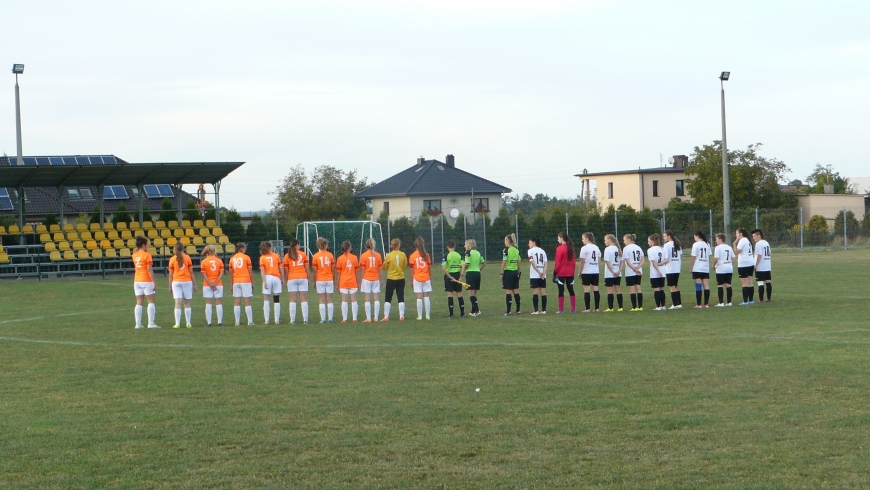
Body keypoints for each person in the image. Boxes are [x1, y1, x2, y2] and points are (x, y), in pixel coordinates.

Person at [132, 236, 160, 329]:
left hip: (137, 280)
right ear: (143, 245)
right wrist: (154, 282)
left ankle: (138, 323)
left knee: (139, 302)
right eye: (147, 245)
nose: (148, 246)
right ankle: (151, 323)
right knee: (151, 301)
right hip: (146, 280)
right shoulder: (147, 255)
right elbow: (149, 270)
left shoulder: (134, 254)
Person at [168, 242, 196, 328]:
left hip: (176, 281)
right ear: (183, 249)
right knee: (187, 302)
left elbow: (170, 275)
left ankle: (177, 323)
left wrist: (169, 286)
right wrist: (194, 284)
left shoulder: (172, 259)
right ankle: (188, 323)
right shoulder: (187, 258)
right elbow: (191, 272)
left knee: (178, 303)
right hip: (187, 281)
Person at [283, 239, 310, 324]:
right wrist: (308, 278)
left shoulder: (287, 255)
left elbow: (286, 270)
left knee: (292, 300)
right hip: (302, 277)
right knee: (304, 299)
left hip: (292, 278)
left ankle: (292, 320)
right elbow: (307, 268)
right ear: (297, 245)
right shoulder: (303, 254)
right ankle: (305, 320)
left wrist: (287, 280)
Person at [382, 238, 408, 321]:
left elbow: (384, 267)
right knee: (400, 296)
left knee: (388, 297)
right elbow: (404, 266)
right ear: (398, 245)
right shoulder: (403, 254)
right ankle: (401, 316)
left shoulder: (389, 255)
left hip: (391, 278)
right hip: (400, 278)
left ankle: (386, 316)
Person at [335, 240, 361, 323]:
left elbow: (338, 273)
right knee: (354, 300)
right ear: (349, 248)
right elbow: (357, 272)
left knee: (344, 301)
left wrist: (337, 284)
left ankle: (345, 319)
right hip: (353, 281)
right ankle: (354, 318)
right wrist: (358, 282)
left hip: (343, 282)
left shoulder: (339, 258)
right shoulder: (355, 257)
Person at [311, 237, 336, 323]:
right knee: (329, 299)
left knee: (321, 299)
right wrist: (333, 279)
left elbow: (315, 271)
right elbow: (333, 269)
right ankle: (330, 318)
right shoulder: (330, 255)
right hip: (329, 278)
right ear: (325, 245)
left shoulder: (315, 256)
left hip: (320, 279)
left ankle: (323, 319)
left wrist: (314, 281)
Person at [229, 242, 255, 326]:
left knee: (237, 302)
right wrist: (252, 283)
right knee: (247, 302)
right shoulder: (246, 257)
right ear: (242, 248)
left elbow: (231, 273)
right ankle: (250, 321)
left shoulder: (232, 259)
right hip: (245, 280)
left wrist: (231, 284)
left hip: (236, 281)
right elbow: (250, 271)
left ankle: (237, 322)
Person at [359, 238, 383, 323]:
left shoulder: (364, 255)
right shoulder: (378, 255)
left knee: (367, 298)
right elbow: (380, 269)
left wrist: (360, 281)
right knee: (376, 298)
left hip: (366, 278)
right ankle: (376, 318)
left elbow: (362, 269)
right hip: (375, 278)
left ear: (366, 246)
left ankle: (368, 318)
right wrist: (382, 280)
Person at [259, 241, 284, 325]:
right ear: (270, 247)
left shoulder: (262, 257)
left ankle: (267, 320)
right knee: (276, 299)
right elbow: (281, 268)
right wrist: (282, 278)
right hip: (276, 278)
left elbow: (262, 270)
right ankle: (276, 320)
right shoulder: (276, 256)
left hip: (267, 277)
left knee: (266, 299)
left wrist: (264, 281)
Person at [200, 244, 224, 326]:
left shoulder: (204, 261)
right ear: (214, 251)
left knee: (208, 303)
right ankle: (219, 322)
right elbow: (221, 273)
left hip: (207, 284)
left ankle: (209, 322)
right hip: (218, 284)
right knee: (218, 302)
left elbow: (204, 274)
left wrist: (210, 283)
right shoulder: (219, 261)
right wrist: (216, 282)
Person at [409, 236, 432, 320]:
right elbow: (429, 268)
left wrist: (411, 281)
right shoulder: (426, 255)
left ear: (415, 245)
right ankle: (427, 315)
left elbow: (411, 270)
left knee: (419, 297)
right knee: (426, 296)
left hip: (417, 278)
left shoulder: (412, 256)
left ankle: (420, 316)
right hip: (426, 277)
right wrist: (430, 279)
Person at [553, 231, 577, 314]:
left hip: (561, 273)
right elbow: (574, 262)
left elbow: (558, 262)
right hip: (570, 273)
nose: (557, 240)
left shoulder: (559, 248)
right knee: (571, 290)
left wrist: (554, 272)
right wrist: (573, 272)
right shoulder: (571, 248)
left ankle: (561, 309)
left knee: (561, 290)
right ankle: (573, 309)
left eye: (558, 238)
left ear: (562, 238)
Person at [460, 239, 485, 317]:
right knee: (474, 293)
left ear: (469, 245)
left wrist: (462, 266)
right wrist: (478, 269)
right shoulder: (478, 252)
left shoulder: (468, 252)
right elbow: (483, 263)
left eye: (465, 244)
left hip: (470, 273)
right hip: (477, 273)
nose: (464, 246)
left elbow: (467, 264)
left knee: (471, 294)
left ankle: (477, 310)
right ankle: (473, 310)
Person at [578, 232, 601, 313]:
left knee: (587, 290)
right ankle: (597, 308)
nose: (582, 240)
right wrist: (598, 270)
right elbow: (599, 261)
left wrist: (580, 272)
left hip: (587, 271)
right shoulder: (596, 248)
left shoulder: (584, 248)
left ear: (587, 238)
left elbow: (582, 262)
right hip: (595, 271)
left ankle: (587, 308)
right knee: (596, 289)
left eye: (583, 238)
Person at [441, 240, 465, 318]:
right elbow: (463, 265)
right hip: (458, 275)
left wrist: (449, 276)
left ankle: (451, 314)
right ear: (454, 246)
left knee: (450, 294)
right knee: (459, 293)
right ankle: (462, 313)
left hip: (449, 276)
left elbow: (443, 268)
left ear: (447, 247)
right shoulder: (459, 255)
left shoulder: (446, 256)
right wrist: (461, 276)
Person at [660, 230, 683, 309]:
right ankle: (679, 303)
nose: (664, 238)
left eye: (665, 236)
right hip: (677, 267)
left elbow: (666, 257)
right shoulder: (677, 244)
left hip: (670, 268)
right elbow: (680, 256)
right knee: (676, 286)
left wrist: (660, 263)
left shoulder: (667, 245)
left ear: (669, 236)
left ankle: (674, 304)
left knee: (672, 286)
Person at [622, 234, 644, 311]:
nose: (623, 242)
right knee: (638, 287)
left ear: (628, 239)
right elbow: (642, 260)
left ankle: (634, 307)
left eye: (624, 240)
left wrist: (633, 268)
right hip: (639, 271)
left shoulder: (626, 248)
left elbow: (627, 261)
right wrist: (638, 267)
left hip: (630, 271)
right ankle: (640, 306)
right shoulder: (638, 247)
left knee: (632, 289)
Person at [500, 233, 522, 315]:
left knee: (508, 291)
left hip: (508, 272)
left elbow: (504, 262)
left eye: (505, 240)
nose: (504, 242)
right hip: (515, 272)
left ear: (508, 241)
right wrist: (519, 272)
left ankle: (508, 311)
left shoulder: (506, 250)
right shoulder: (516, 250)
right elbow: (519, 262)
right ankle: (518, 309)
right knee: (516, 290)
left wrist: (501, 273)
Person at [690, 231, 712, 308]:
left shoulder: (695, 245)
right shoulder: (707, 244)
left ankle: (699, 304)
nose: (694, 238)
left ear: (697, 236)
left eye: (694, 236)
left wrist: (691, 268)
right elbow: (709, 257)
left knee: (698, 285)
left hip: (697, 267)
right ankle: (706, 304)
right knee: (706, 285)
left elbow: (693, 257)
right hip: (705, 268)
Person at [733, 228, 755, 305]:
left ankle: (745, 301)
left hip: (743, 264)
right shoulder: (748, 240)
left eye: (737, 233)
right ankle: (751, 300)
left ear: (741, 234)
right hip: (750, 262)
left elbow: (736, 252)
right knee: (750, 282)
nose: (736, 235)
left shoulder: (742, 241)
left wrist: (734, 243)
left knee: (744, 283)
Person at [602, 234, 623, 312]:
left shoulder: (607, 249)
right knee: (618, 289)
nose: (604, 242)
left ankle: (610, 308)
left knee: (609, 291)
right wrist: (618, 271)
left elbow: (607, 262)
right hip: (618, 273)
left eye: (605, 240)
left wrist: (613, 272)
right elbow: (621, 262)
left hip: (609, 274)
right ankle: (620, 307)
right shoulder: (618, 249)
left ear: (610, 240)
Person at [712, 233, 734, 307]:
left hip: (721, 268)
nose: (716, 241)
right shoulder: (729, 247)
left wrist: (713, 265)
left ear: (721, 239)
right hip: (729, 268)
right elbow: (734, 258)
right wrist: (729, 263)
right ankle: (729, 302)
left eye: (717, 239)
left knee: (720, 285)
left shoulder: (718, 248)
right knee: (728, 284)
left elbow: (716, 258)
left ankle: (721, 303)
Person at [527, 237, 547, 315]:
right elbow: (545, 263)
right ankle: (544, 310)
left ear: (534, 242)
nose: (528, 244)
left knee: (535, 293)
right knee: (543, 293)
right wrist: (543, 273)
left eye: (529, 242)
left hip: (535, 275)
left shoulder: (530, 251)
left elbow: (532, 262)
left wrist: (538, 272)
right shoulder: (543, 251)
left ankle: (536, 310)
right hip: (542, 275)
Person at [752, 228, 772, 303]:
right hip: (767, 265)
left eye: (754, 236)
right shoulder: (766, 242)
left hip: (761, 266)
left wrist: (755, 265)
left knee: (760, 282)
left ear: (759, 235)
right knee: (768, 282)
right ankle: (769, 298)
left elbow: (759, 256)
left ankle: (761, 299)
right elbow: (769, 253)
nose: (753, 238)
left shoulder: (758, 244)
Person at [647, 234, 667, 311]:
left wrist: (658, 270)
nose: (648, 243)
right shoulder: (662, 249)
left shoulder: (650, 250)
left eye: (648, 241)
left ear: (652, 241)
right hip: (663, 271)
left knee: (656, 289)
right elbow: (666, 260)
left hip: (655, 272)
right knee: (661, 289)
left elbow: (654, 262)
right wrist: (660, 264)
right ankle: (663, 306)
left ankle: (658, 306)